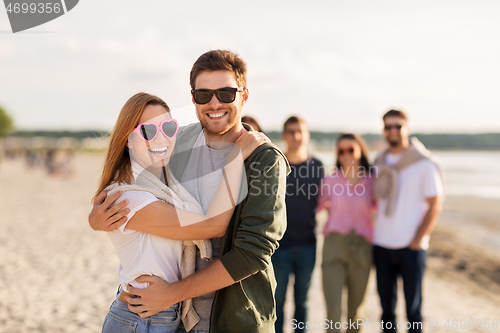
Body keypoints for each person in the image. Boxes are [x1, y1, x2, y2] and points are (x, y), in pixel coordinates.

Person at [89, 50, 290, 333]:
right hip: (176, 319)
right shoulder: (177, 141)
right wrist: (97, 218)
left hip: (233, 320)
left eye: (226, 93)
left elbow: (253, 253)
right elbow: (139, 179)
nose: (215, 103)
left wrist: (173, 293)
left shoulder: (263, 160)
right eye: (204, 94)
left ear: (244, 96)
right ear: (193, 97)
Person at [373, 109, 444, 333]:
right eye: (388, 127)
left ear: (407, 129)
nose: (393, 131)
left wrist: (417, 240)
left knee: (413, 311)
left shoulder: (423, 163)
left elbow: (435, 204)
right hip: (382, 244)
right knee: (386, 311)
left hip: (411, 247)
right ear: (384, 130)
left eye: (398, 126)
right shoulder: (379, 162)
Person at [317, 133, 375, 333]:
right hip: (334, 247)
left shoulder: (372, 181)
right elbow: (316, 208)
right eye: (341, 151)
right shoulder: (329, 181)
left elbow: (384, 209)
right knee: (333, 310)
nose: (346, 154)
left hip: (362, 248)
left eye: (351, 149)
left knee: (356, 313)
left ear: (360, 150)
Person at [271, 116, 323, 333]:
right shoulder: (276, 164)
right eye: (291, 132)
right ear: (284, 136)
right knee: (277, 301)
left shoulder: (318, 167)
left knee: (303, 302)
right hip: (278, 246)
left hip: (307, 244)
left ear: (307, 135)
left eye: (300, 131)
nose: (296, 136)